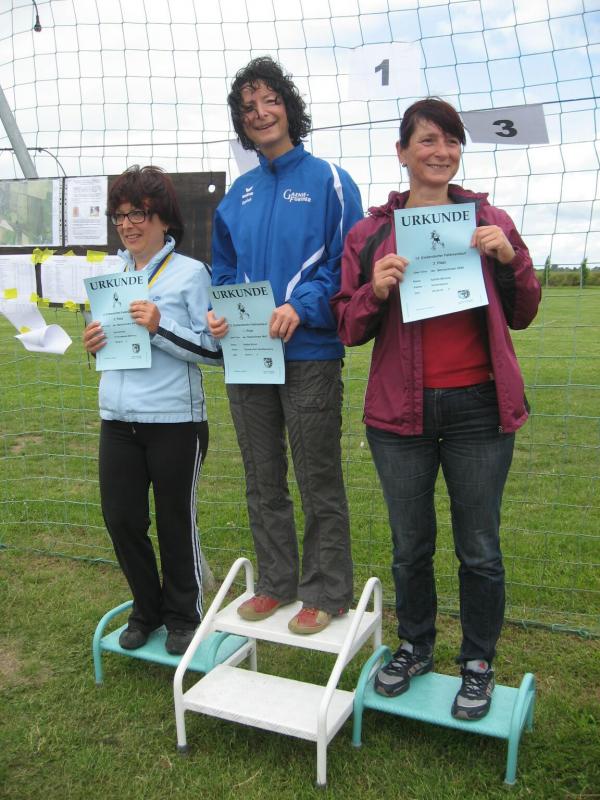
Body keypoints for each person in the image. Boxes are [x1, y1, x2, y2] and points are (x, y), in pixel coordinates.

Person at [332, 98, 541, 718]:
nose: (441, 152)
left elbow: (525, 312)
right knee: (410, 545)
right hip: (401, 415)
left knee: (479, 548)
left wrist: (509, 258)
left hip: (480, 410)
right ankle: (415, 646)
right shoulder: (370, 234)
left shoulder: (489, 220)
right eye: (427, 140)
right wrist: (374, 291)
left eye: (451, 141)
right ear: (402, 152)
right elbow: (347, 326)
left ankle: (477, 663)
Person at [208, 56, 363, 635]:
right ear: (241, 123)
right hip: (249, 357)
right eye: (248, 107)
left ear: (289, 108)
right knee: (261, 476)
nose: (260, 113)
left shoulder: (329, 180)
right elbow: (224, 270)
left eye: (270, 100)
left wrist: (302, 305)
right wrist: (225, 313)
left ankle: (325, 592)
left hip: (309, 355)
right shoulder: (238, 194)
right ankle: (275, 582)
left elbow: (348, 264)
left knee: (317, 476)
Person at [83, 165, 222, 655]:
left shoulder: (191, 274)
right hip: (117, 420)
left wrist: (160, 325)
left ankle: (184, 614)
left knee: (174, 522)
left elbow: (215, 351)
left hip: (175, 421)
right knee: (121, 519)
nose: (128, 224)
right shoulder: (109, 276)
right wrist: (94, 344)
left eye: (139, 213)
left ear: (163, 218)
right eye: (120, 215)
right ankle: (146, 608)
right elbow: (109, 347)